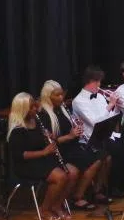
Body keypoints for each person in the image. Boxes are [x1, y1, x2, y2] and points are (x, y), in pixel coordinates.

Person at [7, 92, 79, 220]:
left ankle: (57, 205)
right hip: (27, 164)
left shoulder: (37, 121)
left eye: (35, 106)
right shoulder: (17, 130)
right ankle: (44, 209)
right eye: (31, 107)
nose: (35, 109)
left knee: (72, 173)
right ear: (23, 110)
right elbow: (21, 155)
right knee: (60, 177)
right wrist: (44, 152)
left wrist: (49, 137)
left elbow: (43, 142)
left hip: (43, 159)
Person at [38, 80, 103, 211]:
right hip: (58, 151)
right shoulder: (43, 115)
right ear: (48, 96)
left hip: (71, 147)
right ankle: (62, 201)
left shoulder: (62, 109)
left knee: (98, 157)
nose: (61, 98)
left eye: (62, 94)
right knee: (73, 171)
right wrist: (70, 136)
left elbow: (68, 130)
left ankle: (77, 195)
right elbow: (50, 142)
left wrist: (76, 126)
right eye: (57, 95)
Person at [71, 65, 122, 200]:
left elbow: (109, 117)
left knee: (120, 148)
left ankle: (101, 190)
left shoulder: (99, 97)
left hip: (103, 136)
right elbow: (95, 122)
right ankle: (101, 190)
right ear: (90, 81)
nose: (100, 85)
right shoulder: (78, 101)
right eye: (97, 81)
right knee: (111, 154)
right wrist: (110, 105)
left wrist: (116, 107)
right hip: (89, 140)